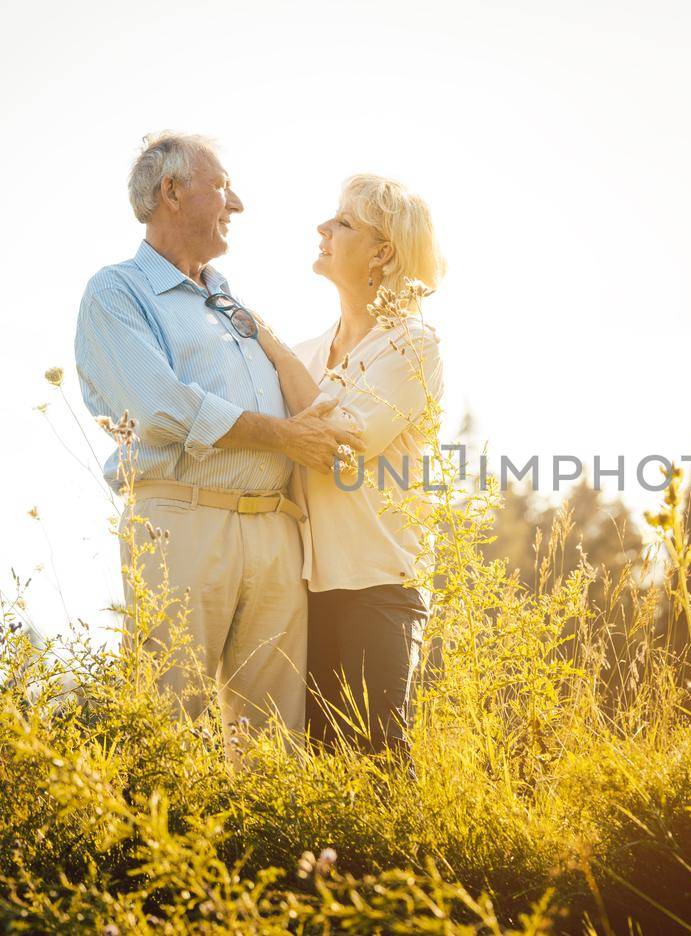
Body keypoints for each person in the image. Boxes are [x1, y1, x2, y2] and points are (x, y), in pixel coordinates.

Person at [74, 132, 361, 736]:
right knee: (167, 724)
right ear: (171, 192)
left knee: (272, 741)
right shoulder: (117, 291)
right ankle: (156, 831)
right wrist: (284, 438)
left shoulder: (229, 299)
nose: (237, 204)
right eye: (222, 186)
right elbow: (163, 409)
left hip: (273, 528)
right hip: (183, 521)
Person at [256, 174, 447, 752]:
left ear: (382, 252)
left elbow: (343, 442)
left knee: (380, 766)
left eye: (341, 222)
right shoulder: (311, 351)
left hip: (379, 587)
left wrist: (270, 348)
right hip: (303, 590)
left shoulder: (413, 345)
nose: (323, 229)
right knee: (318, 769)